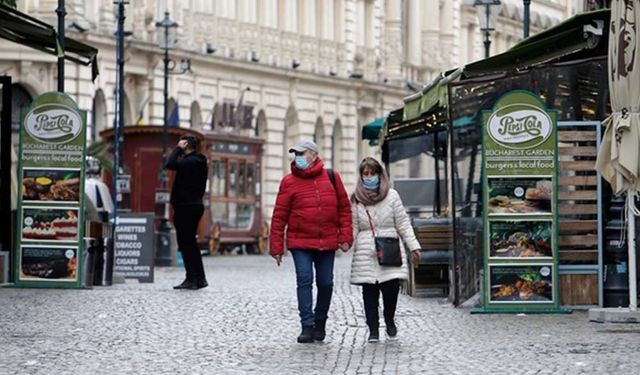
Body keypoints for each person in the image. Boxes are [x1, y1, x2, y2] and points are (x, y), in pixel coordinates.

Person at [270, 140, 353, 343]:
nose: (297, 157)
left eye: (301, 153)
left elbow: (344, 208)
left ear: (314, 155)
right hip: (300, 242)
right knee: (304, 280)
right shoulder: (288, 182)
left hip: (327, 241)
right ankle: (307, 325)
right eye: (295, 154)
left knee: (326, 283)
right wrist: (276, 246)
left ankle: (320, 320)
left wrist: (345, 237)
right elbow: (279, 215)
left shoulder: (332, 177)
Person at [349, 157, 421, 342]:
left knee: (391, 290)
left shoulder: (392, 195)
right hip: (366, 251)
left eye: (372, 173)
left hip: (389, 247)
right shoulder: (357, 199)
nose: (369, 177)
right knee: (369, 293)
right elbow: (353, 226)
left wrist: (414, 246)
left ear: (379, 175)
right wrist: (346, 242)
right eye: (365, 174)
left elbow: (403, 223)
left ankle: (389, 319)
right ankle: (373, 329)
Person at [165, 135, 209, 290]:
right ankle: (199, 278)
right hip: (192, 205)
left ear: (186, 145)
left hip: (186, 207)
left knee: (186, 244)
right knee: (190, 244)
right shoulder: (198, 161)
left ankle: (192, 278)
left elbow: (170, 164)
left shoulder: (191, 161)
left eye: (181, 144)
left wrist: (177, 148)